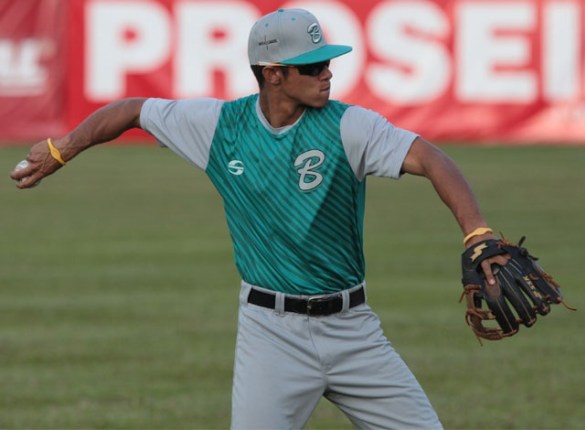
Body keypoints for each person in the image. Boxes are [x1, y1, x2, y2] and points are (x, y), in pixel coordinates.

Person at [11, 8, 500, 429]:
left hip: (353, 330)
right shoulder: (220, 127)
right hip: (271, 334)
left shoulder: (351, 126)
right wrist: (62, 148)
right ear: (273, 74)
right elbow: (133, 110)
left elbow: (433, 159)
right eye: (313, 66)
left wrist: (477, 232)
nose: (328, 73)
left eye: (328, 62)